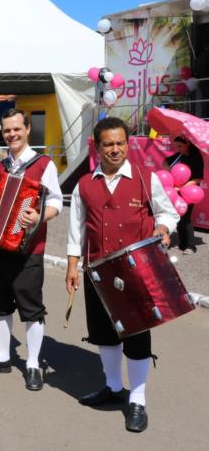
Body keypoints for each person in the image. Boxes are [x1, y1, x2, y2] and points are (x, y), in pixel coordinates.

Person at [66, 117, 178, 433]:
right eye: (108, 144)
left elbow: (168, 211)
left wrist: (163, 227)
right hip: (97, 272)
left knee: (137, 336)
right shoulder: (84, 184)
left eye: (120, 143)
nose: (115, 150)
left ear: (127, 144)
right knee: (104, 333)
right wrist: (73, 266)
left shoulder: (145, 178)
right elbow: (75, 228)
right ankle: (114, 388)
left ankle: (138, 400)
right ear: (97, 147)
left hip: (137, 271)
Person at [0, 108, 63, 391]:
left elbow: (57, 202)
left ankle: (33, 363)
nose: (12, 134)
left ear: (27, 130)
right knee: (0, 304)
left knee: (31, 307)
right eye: (7, 130)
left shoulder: (43, 164)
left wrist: (39, 216)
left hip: (28, 248)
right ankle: (2, 356)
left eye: (16, 129)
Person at [165, 135, 204, 254]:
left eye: (180, 146)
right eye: (176, 146)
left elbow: (197, 178)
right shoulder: (179, 155)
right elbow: (165, 162)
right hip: (177, 190)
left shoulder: (196, 157)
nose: (178, 148)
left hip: (190, 192)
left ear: (187, 144)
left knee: (186, 218)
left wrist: (182, 187)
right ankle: (182, 244)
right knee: (179, 217)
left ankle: (191, 246)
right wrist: (170, 172)